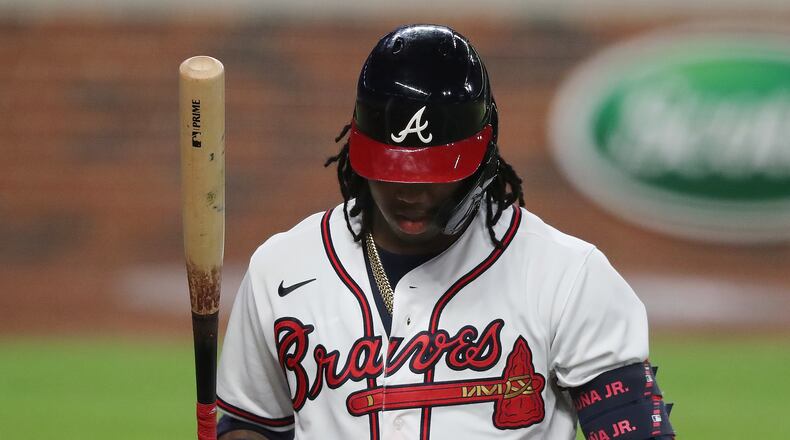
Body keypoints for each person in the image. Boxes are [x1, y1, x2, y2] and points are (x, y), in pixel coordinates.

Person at [215, 24, 674, 440]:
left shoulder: (568, 276)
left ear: (484, 153)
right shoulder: (281, 267)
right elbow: (253, 423)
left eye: (434, 173)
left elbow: (633, 428)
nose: (409, 193)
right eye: (391, 170)